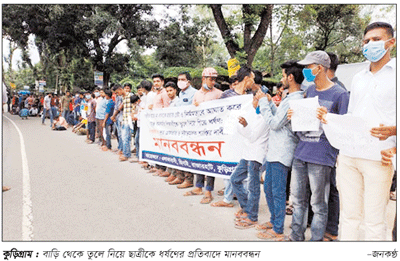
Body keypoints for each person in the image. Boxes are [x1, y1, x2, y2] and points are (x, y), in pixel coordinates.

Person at [319, 22, 396, 241]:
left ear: (391, 42)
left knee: (374, 221)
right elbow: (351, 116)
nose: (370, 44)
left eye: (376, 39)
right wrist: (330, 119)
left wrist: (395, 132)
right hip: (350, 156)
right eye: (366, 41)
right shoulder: (358, 77)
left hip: (379, 157)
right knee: (349, 217)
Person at [289, 50, 349, 241]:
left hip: (322, 157)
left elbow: (344, 129)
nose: (306, 71)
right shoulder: (310, 91)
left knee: (318, 204)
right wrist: (294, 117)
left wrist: (327, 118)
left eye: (308, 67)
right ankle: (295, 237)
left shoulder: (340, 94)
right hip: (301, 153)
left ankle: (315, 242)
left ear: (319, 68)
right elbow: (302, 124)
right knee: (298, 201)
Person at [254, 60, 305, 240]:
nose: (282, 79)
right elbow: (279, 118)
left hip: (282, 151)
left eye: (283, 75)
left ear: (290, 77)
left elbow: (275, 124)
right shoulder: (288, 98)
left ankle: (278, 229)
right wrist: (270, 104)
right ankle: (274, 220)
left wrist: (263, 102)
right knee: (268, 189)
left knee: (277, 191)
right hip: (275, 150)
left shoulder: (295, 100)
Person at [184, 67, 222, 204]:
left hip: (212, 133)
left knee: (210, 162)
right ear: (203, 79)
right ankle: (198, 187)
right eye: (210, 79)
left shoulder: (219, 94)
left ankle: (208, 191)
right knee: (199, 160)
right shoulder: (197, 94)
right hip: (199, 132)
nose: (213, 82)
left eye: (214, 79)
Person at [119, 84, 135, 161]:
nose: (117, 94)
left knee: (126, 137)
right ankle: (126, 153)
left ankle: (126, 154)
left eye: (117, 92)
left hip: (129, 120)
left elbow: (135, 105)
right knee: (125, 137)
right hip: (125, 119)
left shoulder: (131, 96)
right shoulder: (123, 97)